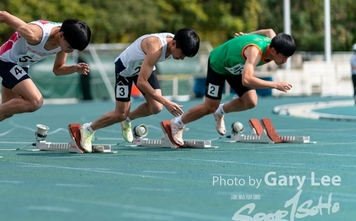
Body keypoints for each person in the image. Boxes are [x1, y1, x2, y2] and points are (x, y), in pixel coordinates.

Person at [0, 0, 92, 150]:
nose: (70, 51)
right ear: (61, 35)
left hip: (21, 67)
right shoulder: (35, 34)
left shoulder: (63, 41)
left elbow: (58, 69)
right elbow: (5, 16)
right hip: (6, 61)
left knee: (7, 111)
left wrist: (74, 68)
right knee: (35, 101)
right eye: (70, 47)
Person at [166, 29, 296, 146]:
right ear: (273, 51)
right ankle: (177, 124)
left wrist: (246, 36)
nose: (286, 61)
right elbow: (246, 80)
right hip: (218, 64)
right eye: (284, 57)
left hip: (236, 67)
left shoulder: (273, 41)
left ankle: (220, 112)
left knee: (250, 101)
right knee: (210, 106)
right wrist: (276, 85)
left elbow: (269, 31)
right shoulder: (255, 52)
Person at [78, 29, 200, 152]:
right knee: (120, 114)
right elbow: (142, 82)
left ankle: (128, 119)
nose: (182, 58)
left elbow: (145, 72)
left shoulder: (177, 41)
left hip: (144, 66)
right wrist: (166, 102)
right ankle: (88, 129)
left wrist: (162, 102)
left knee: (156, 107)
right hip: (125, 70)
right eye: (182, 54)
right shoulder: (156, 48)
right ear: (173, 44)